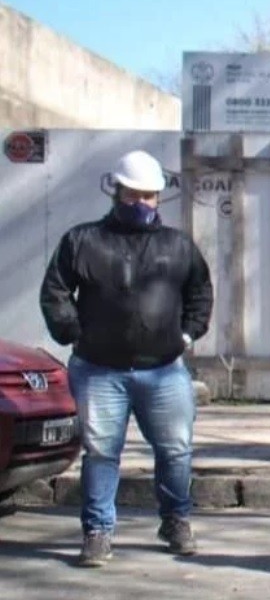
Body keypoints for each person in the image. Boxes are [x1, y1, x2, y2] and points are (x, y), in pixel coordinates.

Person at [40, 150, 213, 567]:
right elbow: (56, 291)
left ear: (159, 198)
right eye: (132, 194)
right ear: (115, 191)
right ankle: (97, 532)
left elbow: (200, 293)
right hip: (99, 369)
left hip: (164, 370)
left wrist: (187, 334)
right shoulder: (82, 240)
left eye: (148, 196)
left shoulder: (177, 245)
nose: (140, 203)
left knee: (175, 449)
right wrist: (73, 333)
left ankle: (175, 520)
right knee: (100, 452)